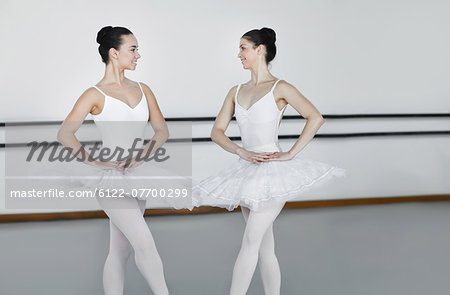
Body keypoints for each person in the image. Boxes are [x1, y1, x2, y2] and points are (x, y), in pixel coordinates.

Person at [192, 27, 346, 295]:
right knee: (264, 246)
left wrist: (290, 154)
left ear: (259, 49)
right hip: (245, 170)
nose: (239, 54)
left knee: (251, 239)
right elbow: (216, 132)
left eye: (243, 48)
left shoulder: (280, 87)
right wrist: (241, 152)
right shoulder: (235, 90)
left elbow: (315, 117)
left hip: (273, 172)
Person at [57, 26, 170, 295]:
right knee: (144, 243)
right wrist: (96, 162)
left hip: (138, 175)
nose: (137, 55)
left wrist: (141, 157)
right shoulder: (95, 94)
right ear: (114, 53)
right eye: (132, 49)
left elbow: (162, 130)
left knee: (119, 251)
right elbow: (65, 133)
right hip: (111, 180)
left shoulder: (143, 89)